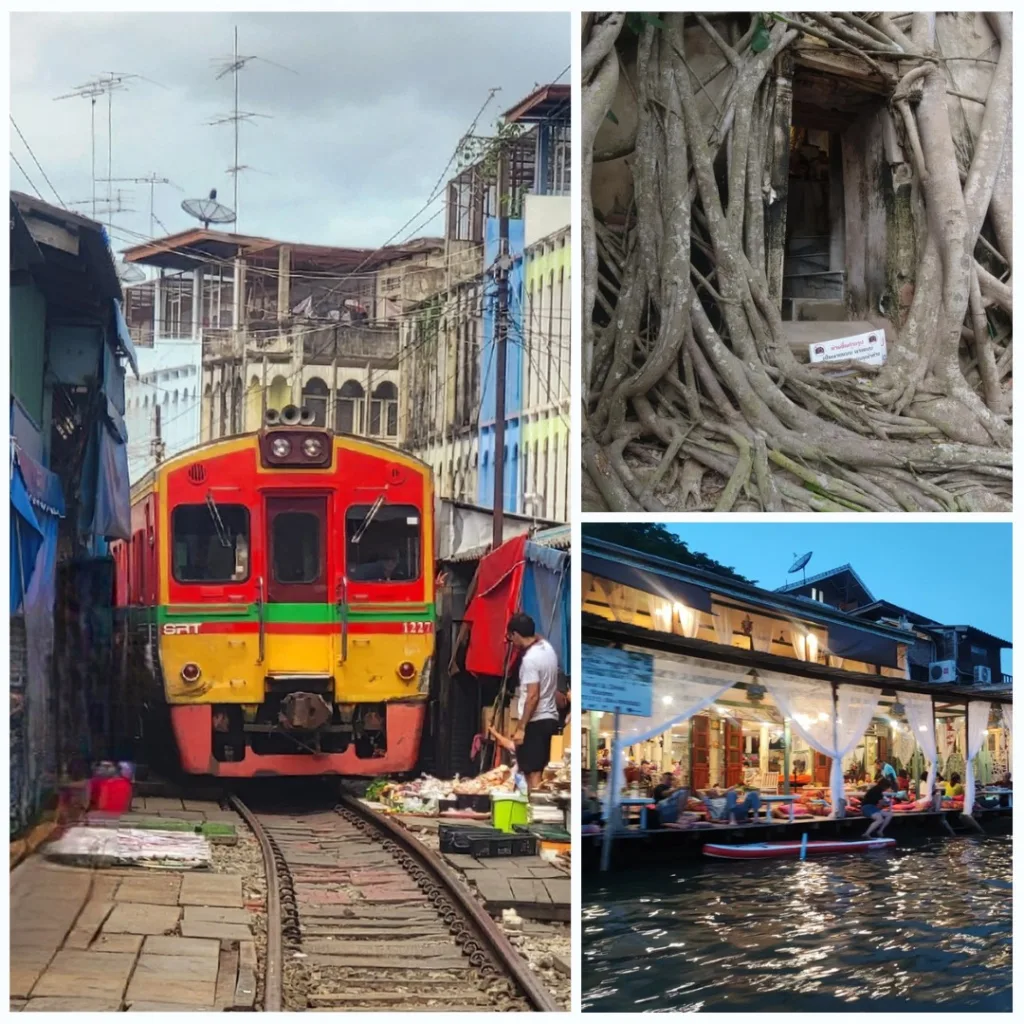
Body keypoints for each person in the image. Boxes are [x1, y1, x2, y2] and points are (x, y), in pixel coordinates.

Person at [507, 612, 560, 793]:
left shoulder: (530, 660)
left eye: (511, 637)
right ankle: (534, 815)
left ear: (515, 634)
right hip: (549, 718)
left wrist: (521, 727)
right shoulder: (547, 647)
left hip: (535, 721)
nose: (512, 642)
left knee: (533, 773)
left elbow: (532, 696)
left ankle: (536, 817)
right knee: (534, 769)